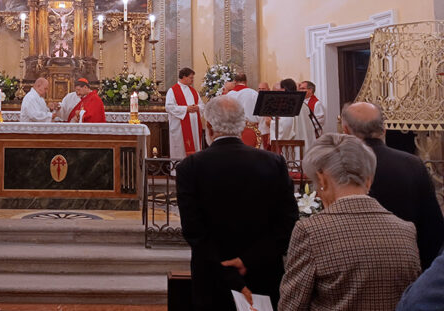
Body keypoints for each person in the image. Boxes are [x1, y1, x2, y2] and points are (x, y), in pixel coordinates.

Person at [177, 96, 299, 310]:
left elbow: (194, 231)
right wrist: (248, 260)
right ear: (243, 125)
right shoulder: (274, 163)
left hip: (213, 276)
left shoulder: (191, 167)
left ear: (209, 127)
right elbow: (288, 223)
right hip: (262, 272)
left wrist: (228, 272)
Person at [279, 133, 421, 311]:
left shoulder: (310, 231)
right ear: (368, 180)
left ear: (322, 179)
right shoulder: (405, 229)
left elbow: (291, 306)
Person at [342, 102, 444, 270]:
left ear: (345, 131)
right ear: (384, 129)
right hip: (409, 262)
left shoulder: (340, 167)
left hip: (355, 265)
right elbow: (433, 226)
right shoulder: (412, 164)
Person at [165, 68, 204, 159]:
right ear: (184, 77)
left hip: (194, 127)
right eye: (191, 78)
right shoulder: (173, 91)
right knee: (180, 148)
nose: (192, 80)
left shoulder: (193, 91)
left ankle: (194, 169)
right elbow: (169, 107)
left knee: (194, 146)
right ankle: (178, 169)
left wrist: (197, 107)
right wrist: (186, 109)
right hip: (180, 127)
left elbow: (202, 105)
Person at [271, 78, 315, 150]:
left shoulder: (288, 105)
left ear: (284, 89)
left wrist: (272, 123)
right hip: (306, 142)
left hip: (294, 147)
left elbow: (286, 126)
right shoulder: (303, 104)